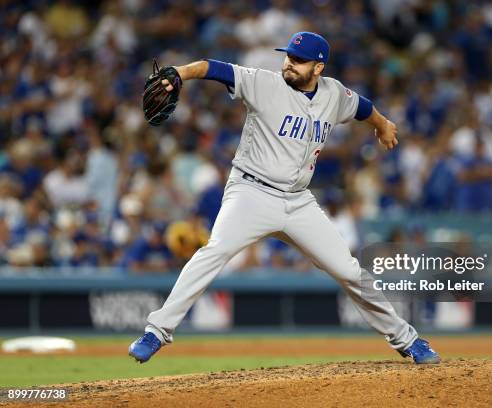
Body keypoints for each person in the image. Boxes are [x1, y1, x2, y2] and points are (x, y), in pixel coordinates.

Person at [129, 32, 440, 364]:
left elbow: (362, 107)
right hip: (251, 192)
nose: (289, 63)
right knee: (215, 251)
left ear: (318, 67)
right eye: (288, 56)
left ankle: (408, 340)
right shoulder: (265, 83)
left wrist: (382, 124)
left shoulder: (333, 94)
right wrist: (179, 72)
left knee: (349, 271)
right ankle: (156, 331)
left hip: (298, 201)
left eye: (299, 60)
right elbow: (213, 68)